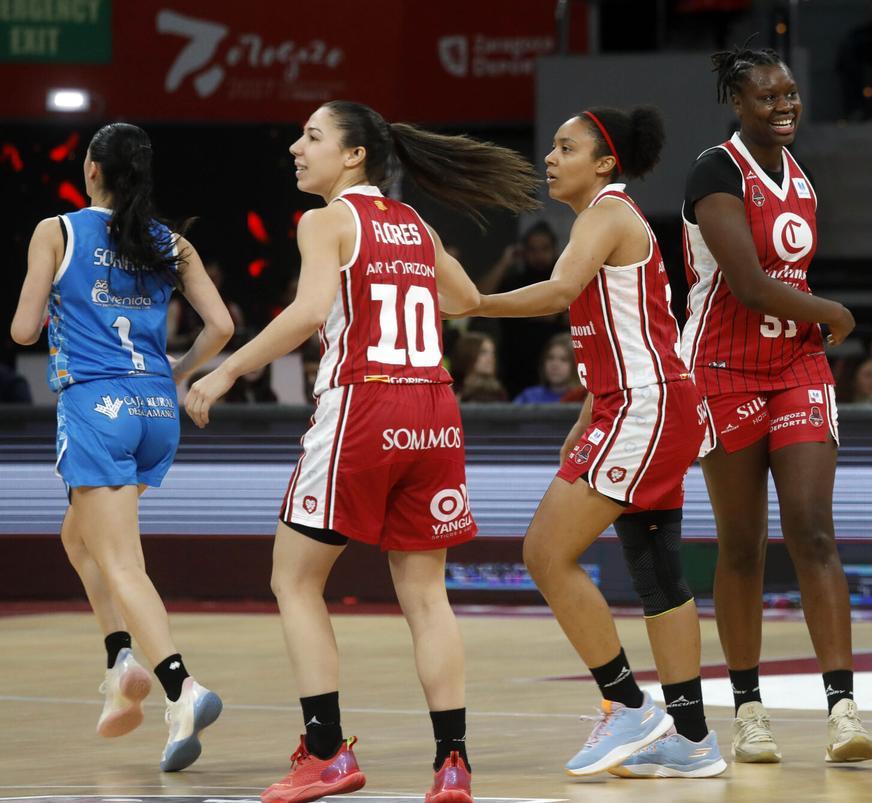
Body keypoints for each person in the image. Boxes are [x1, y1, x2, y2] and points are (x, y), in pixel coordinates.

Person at [184, 100, 541, 803]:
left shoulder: (325, 220)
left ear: (353, 157)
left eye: (312, 136)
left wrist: (225, 370)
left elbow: (312, 312)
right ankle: (453, 762)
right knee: (426, 595)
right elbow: (466, 299)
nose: (296, 147)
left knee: (294, 580)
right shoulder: (416, 225)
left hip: (366, 405)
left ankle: (326, 752)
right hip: (436, 409)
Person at [468, 105, 728, 779]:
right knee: (658, 574)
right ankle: (694, 736)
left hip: (647, 407)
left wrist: (474, 303)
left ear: (605, 163)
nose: (550, 158)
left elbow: (559, 291)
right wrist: (586, 414)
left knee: (545, 552)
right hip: (642, 400)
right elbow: (628, 328)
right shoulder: (608, 219)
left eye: (565, 147)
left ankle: (627, 705)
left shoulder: (607, 214)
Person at [9, 123, 234, 770]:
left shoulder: (59, 230)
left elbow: (24, 330)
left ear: (91, 170)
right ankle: (119, 661)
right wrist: (178, 372)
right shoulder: (170, 241)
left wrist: (59, 298)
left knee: (121, 560)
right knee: (77, 538)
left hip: (97, 405)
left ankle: (180, 687)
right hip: (154, 406)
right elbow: (221, 325)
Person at [680, 42, 872, 766]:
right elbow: (750, 283)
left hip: (795, 365)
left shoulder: (802, 174)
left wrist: (818, 324)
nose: (785, 105)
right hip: (723, 368)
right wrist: (835, 312)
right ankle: (749, 709)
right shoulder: (714, 170)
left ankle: (842, 708)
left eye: (790, 93)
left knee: (813, 529)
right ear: (739, 103)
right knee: (741, 544)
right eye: (768, 96)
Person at [477, 222, 568, 395]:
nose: (539, 255)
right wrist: (504, 262)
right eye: (532, 249)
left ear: (555, 251)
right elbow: (477, 298)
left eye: (544, 249)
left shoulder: (562, 282)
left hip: (557, 368)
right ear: (523, 252)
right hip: (515, 366)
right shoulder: (513, 281)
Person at [512, 332, 581, 403]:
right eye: (550, 358)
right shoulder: (528, 397)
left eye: (563, 359)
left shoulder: (583, 399)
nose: (555, 365)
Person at [449, 332, 508, 403]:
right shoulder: (450, 390)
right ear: (466, 354)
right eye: (483, 352)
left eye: (492, 353)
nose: (490, 358)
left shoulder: (498, 392)